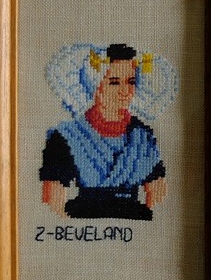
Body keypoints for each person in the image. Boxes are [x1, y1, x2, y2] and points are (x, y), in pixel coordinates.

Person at [40, 43, 167, 220]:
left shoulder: (143, 137)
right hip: (82, 223)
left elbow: (157, 193)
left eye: (131, 82)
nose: (125, 91)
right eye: (114, 82)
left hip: (135, 220)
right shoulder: (66, 136)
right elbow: (53, 202)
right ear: (95, 86)